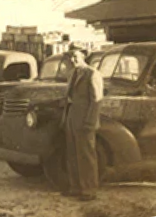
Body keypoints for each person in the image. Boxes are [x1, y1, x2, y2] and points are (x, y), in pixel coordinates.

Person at [62, 47, 104, 202]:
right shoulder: (73, 74)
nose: (72, 60)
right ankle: (75, 187)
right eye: (70, 57)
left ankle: (89, 190)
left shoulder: (92, 74)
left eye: (75, 56)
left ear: (83, 56)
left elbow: (96, 101)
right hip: (72, 119)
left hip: (85, 121)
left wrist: (90, 122)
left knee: (86, 155)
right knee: (72, 154)